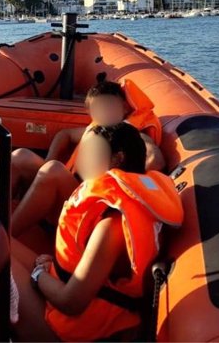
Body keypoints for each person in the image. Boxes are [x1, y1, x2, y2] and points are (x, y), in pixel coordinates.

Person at [11, 123, 183, 342]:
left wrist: (39, 275)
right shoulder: (129, 206)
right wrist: (48, 270)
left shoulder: (112, 226)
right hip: (75, 300)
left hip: (72, 331)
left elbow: (70, 303)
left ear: (117, 159)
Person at [11, 80, 165, 238]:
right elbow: (65, 135)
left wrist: (120, 180)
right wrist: (49, 159)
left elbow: (155, 159)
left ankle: (7, 234)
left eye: (109, 106)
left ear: (124, 108)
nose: (105, 112)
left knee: (53, 170)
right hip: (74, 188)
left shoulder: (132, 135)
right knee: (21, 156)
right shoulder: (96, 129)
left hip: (91, 203)